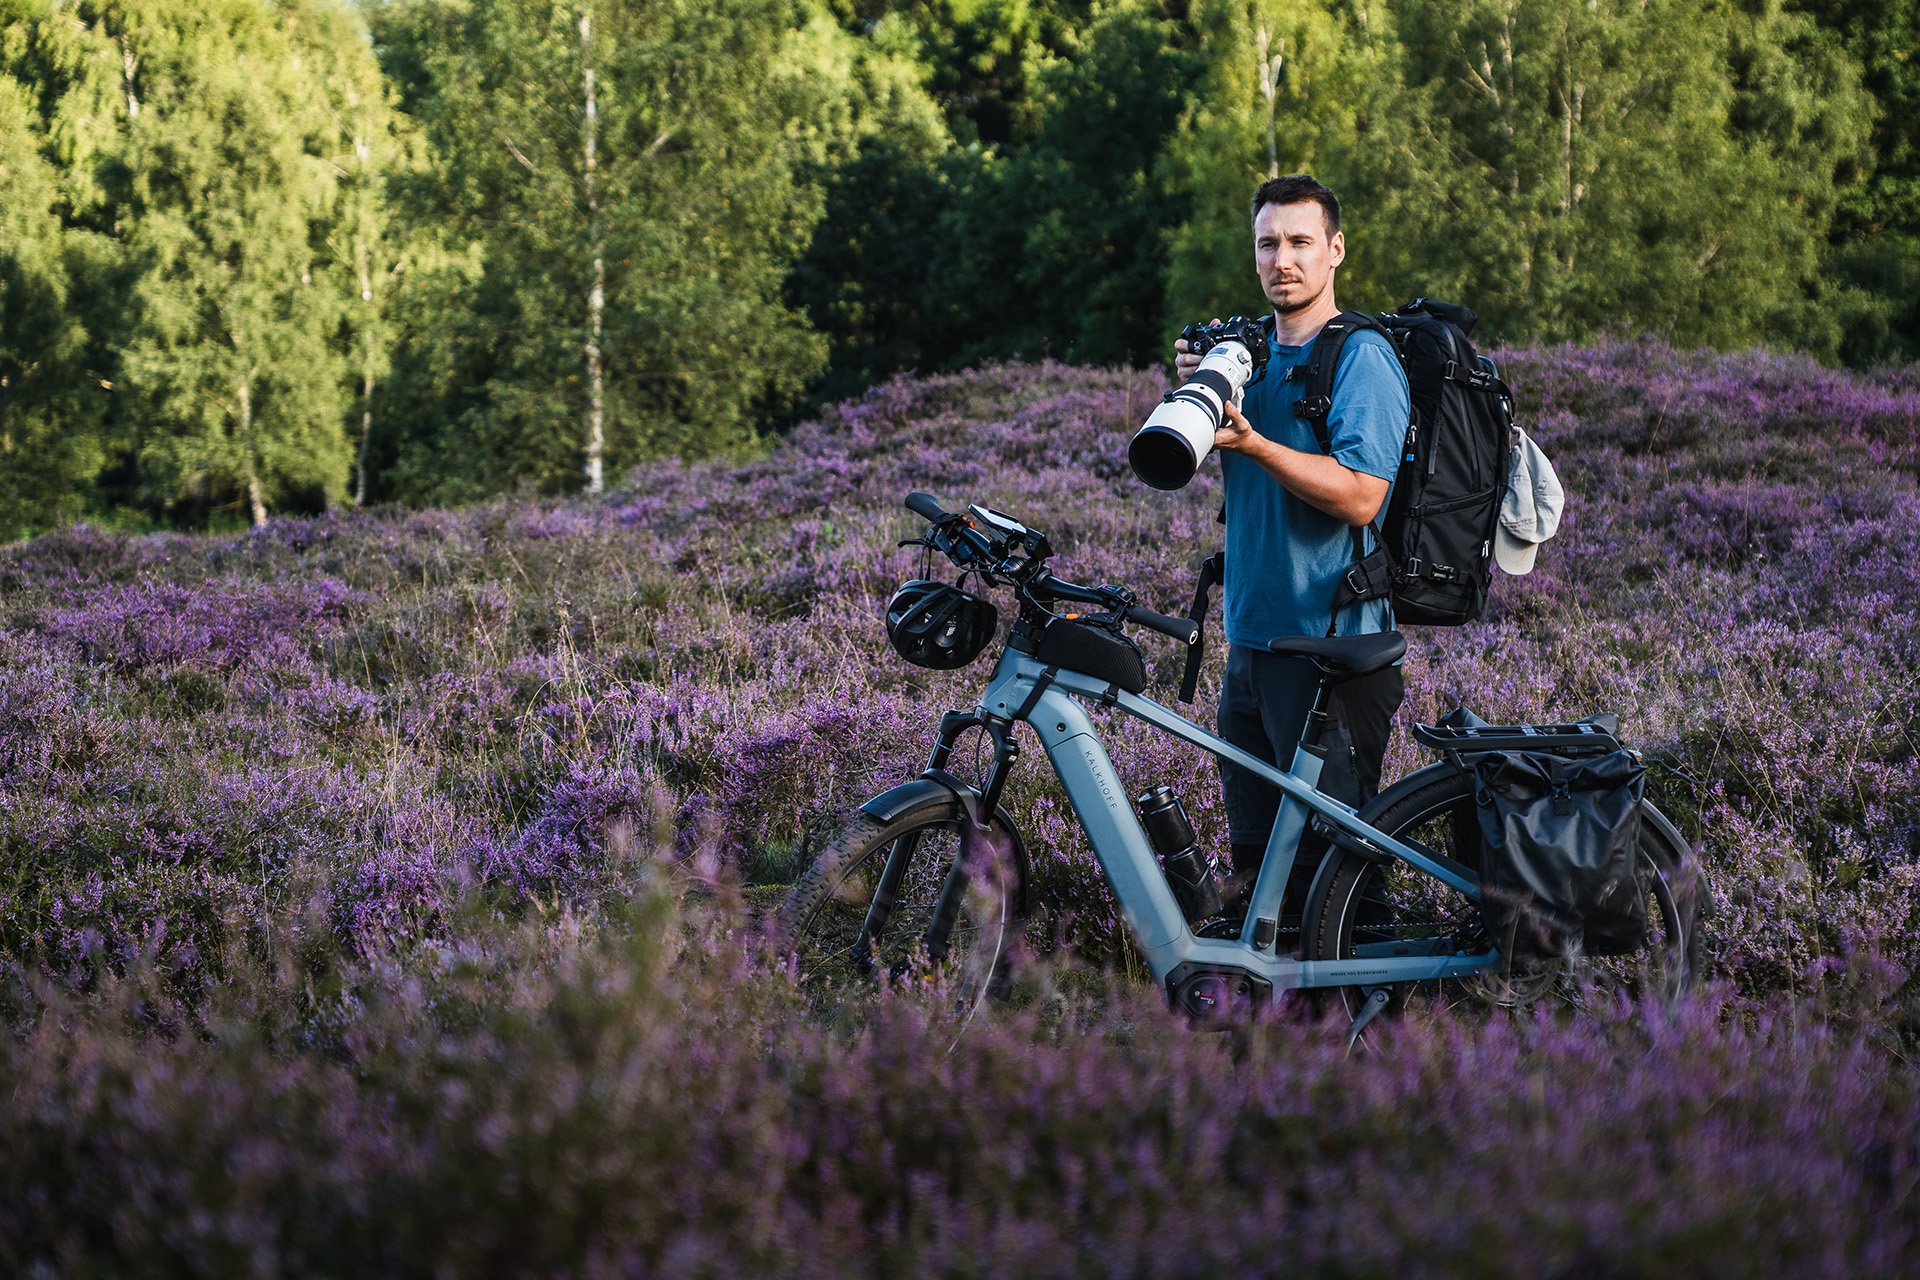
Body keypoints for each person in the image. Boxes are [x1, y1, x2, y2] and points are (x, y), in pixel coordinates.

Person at [1172, 173, 1410, 920]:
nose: (1284, 259)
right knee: (1260, 869)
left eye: (1301, 242)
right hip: (1251, 648)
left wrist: (1257, 444)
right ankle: (1285, 1033)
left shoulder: (1362, 357)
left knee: (1335, 882)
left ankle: (1377, 1029)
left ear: (1335, 250)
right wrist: (1200, 389)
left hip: (1331, 656)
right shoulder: (1250, 358)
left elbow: (1363, 495)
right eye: (1268, 243)